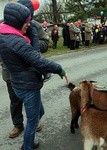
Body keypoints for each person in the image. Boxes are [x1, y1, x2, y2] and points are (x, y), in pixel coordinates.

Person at [0, 2, 66, 150]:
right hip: (27, 85)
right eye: (26, 21)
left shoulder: (5, 34)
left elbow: (35, 52)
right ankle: (27, 146)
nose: (29, 25)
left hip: (18, 82)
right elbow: (37, 59)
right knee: (32, 121)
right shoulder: (17, 41)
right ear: (17, 21)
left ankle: (28, 139)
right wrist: (59, 69)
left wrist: (31, 33)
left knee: (38, 112)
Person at [1, 0, 50, 139]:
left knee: (33, 98)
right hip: (10, 71)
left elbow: (46, 43)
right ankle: (18, 125)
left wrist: (28, 45)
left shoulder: (34, 25)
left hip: (30, 72)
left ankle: (34, 121)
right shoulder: (3, 24)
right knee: (15, 100)